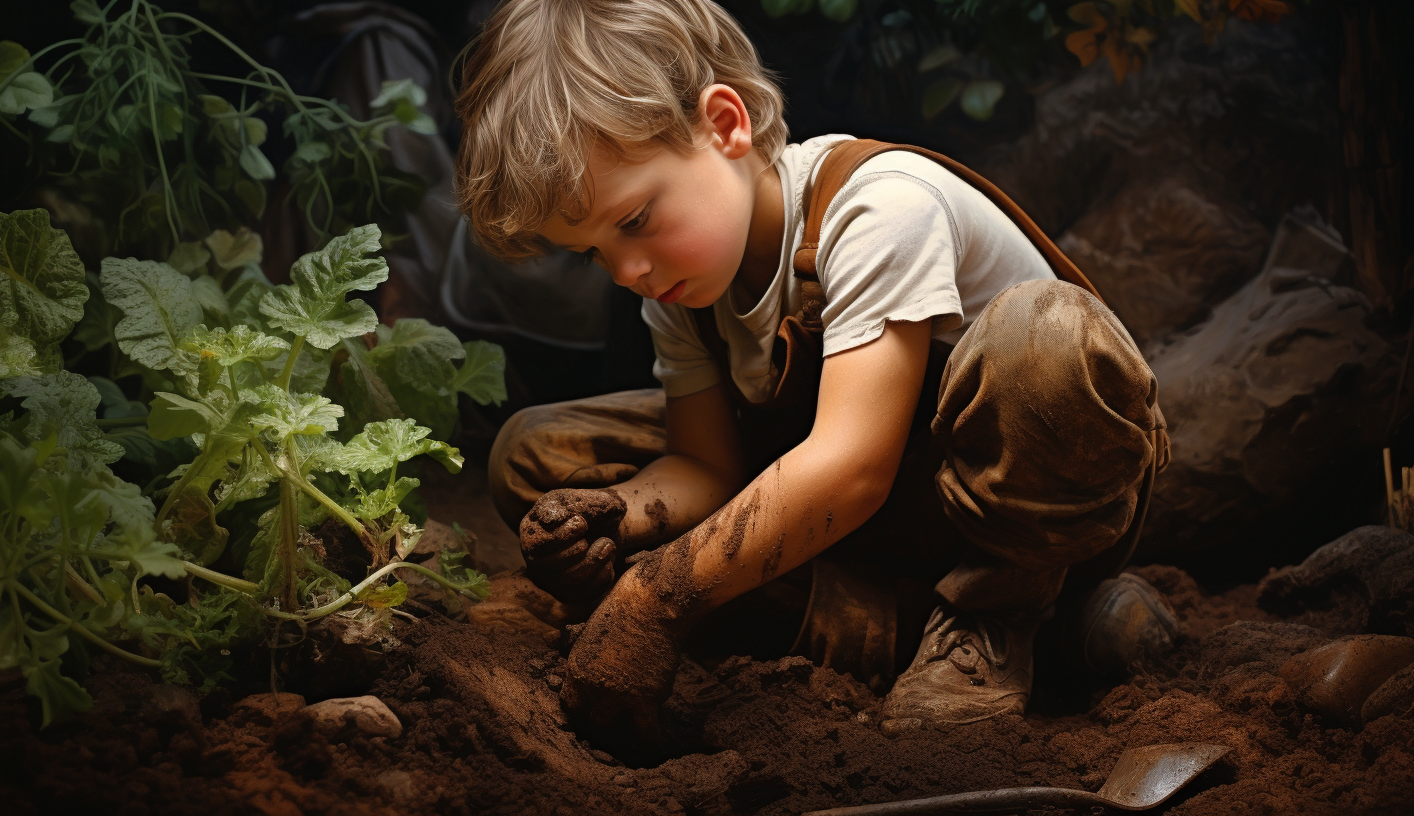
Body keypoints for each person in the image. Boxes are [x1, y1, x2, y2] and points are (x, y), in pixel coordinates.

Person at [453, 0, 1169, 744]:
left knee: (1047, 339)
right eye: (593, 251)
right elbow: (705, 464)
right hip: (874, 538)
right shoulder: (681, 285)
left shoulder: (879, 206)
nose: (626, 270)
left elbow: (851, 465)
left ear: (725, 124)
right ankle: (921, 635)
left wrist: (656, 593)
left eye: (633, 221)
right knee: (540, 457)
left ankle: (999, 618)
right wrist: (620, 517)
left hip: (1024, 512)